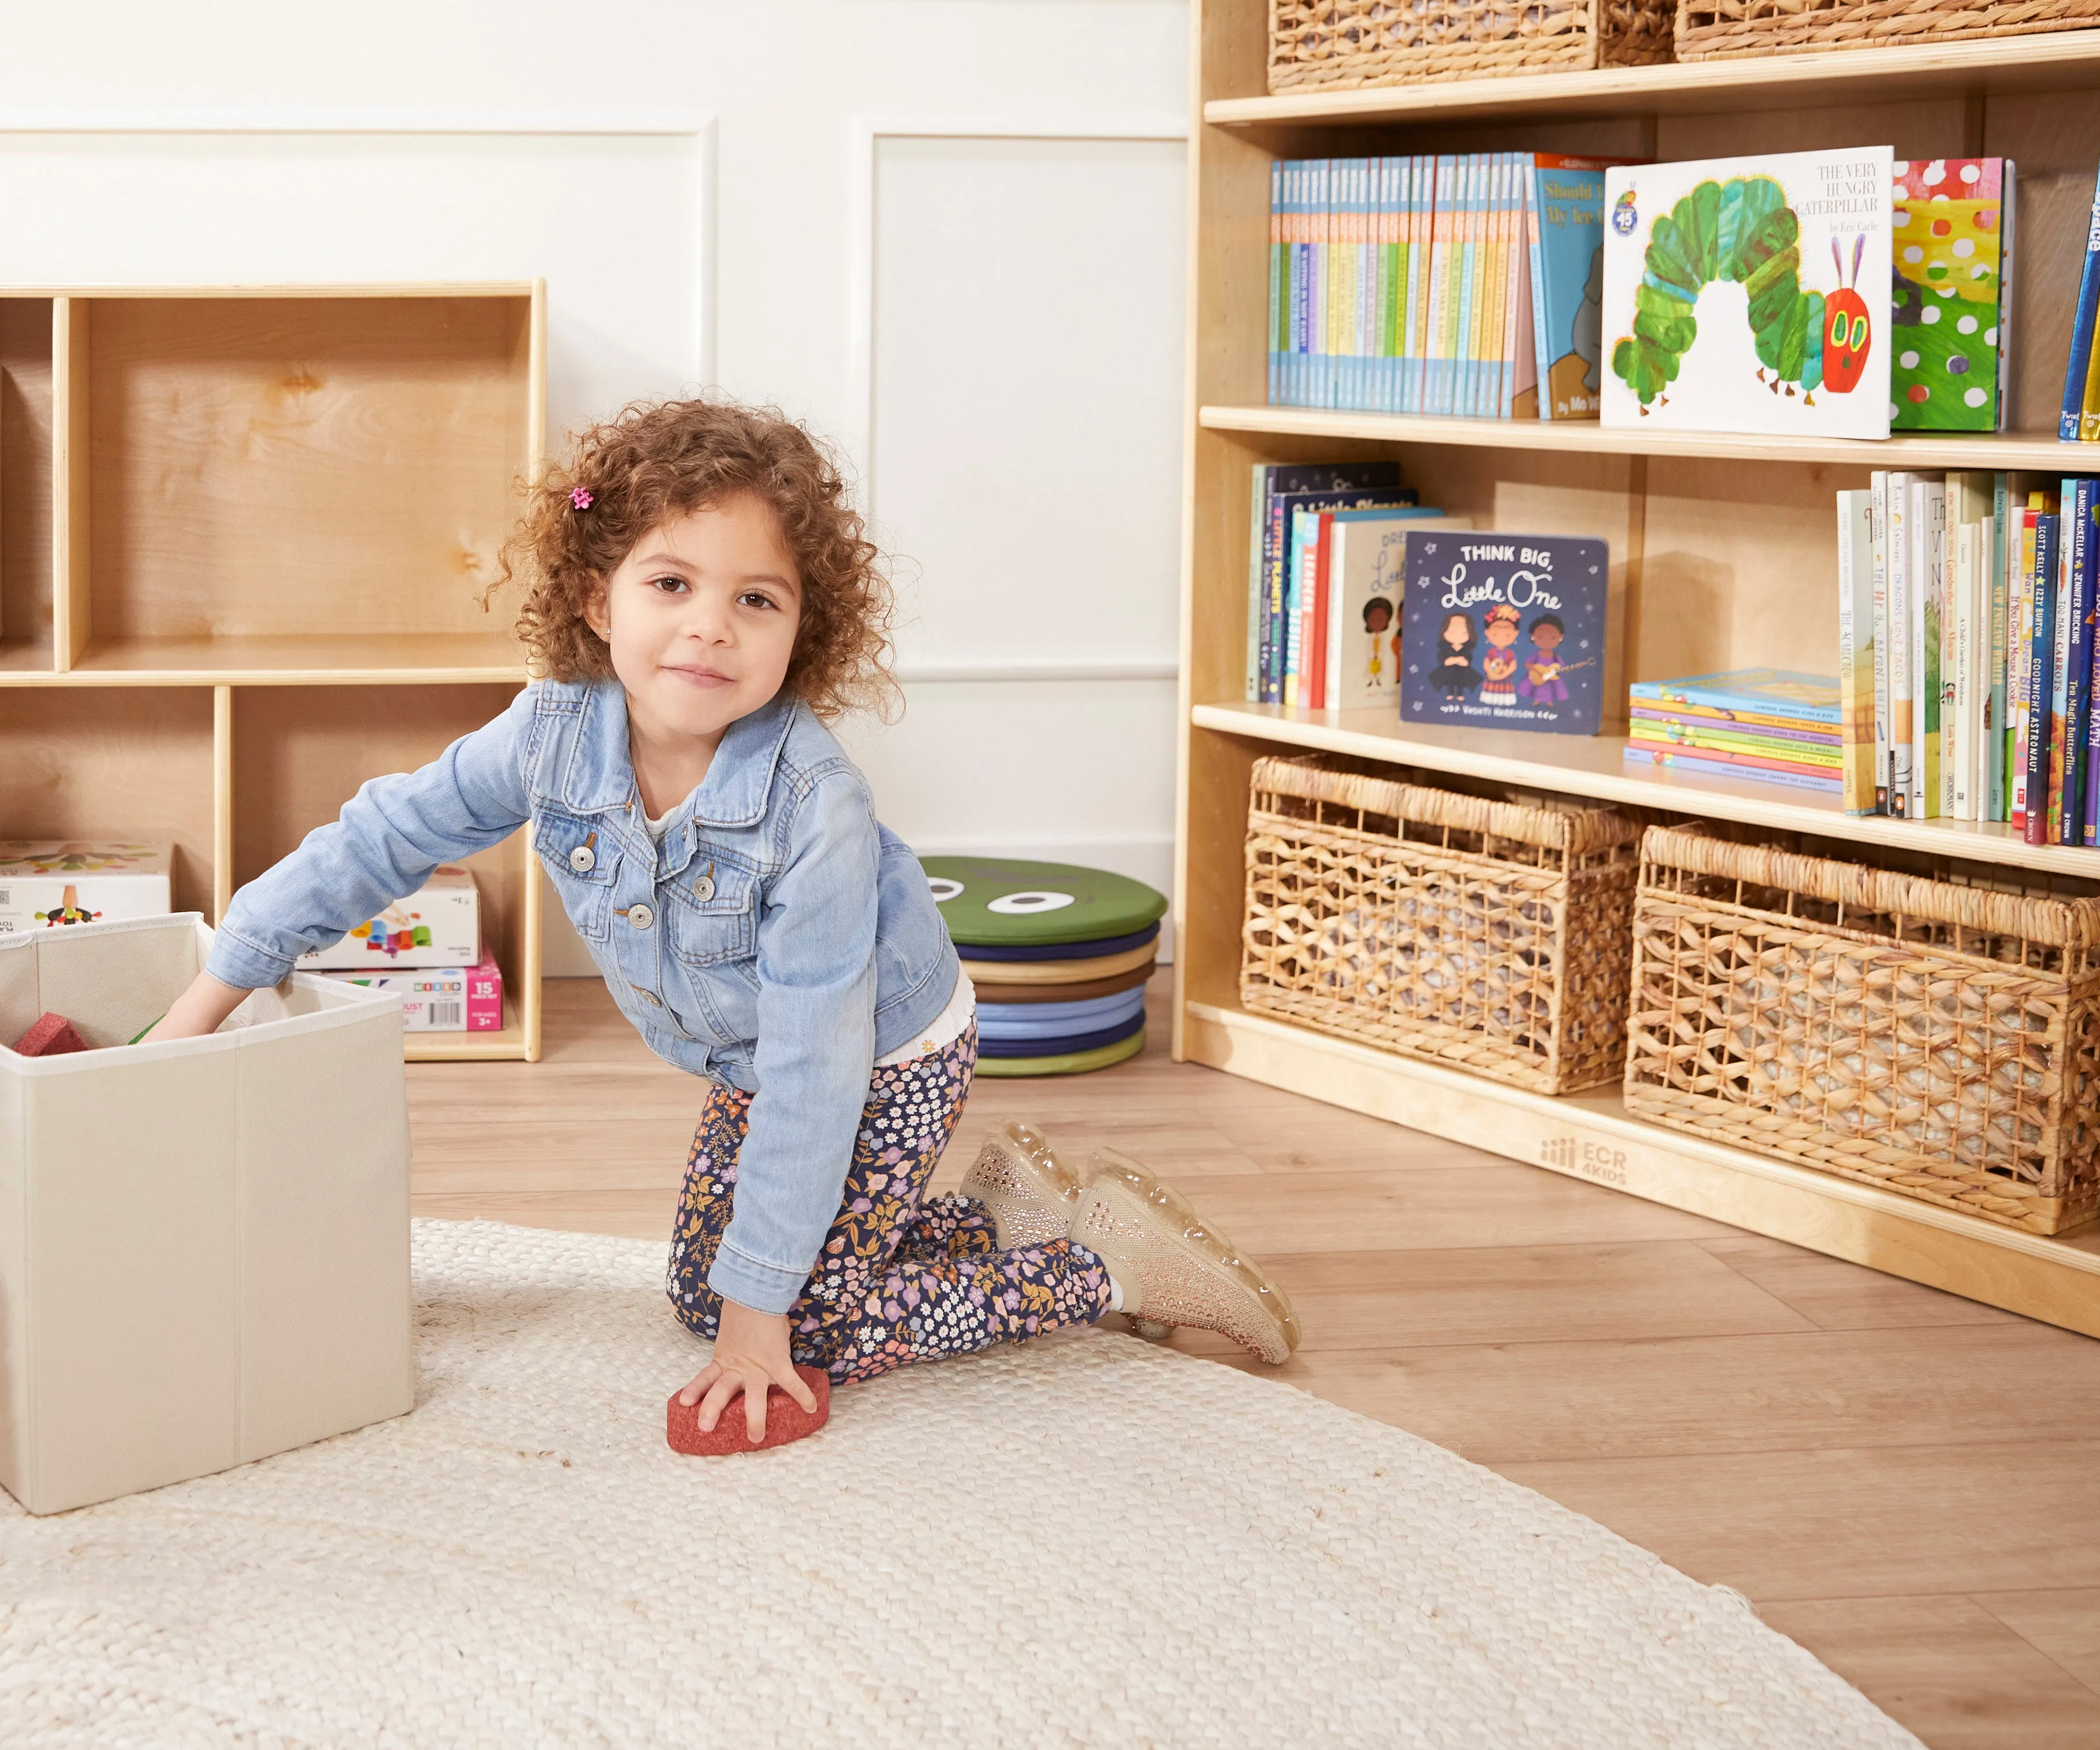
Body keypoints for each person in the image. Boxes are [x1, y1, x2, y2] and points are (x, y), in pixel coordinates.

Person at [152, 399, 1299, 1443]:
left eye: (754, 598)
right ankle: (989, 1216)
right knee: (706, 1294)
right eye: (671, 584)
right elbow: (380, 836)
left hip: (880, 1055)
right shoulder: (548, 733)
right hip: (753, 1058)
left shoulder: (818, 811)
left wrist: (766, 1328)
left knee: (802, 1330)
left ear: (802, 631)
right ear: (597, 599)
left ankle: (1098, 1265)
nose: (710, 626)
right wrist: (212, 995)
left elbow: (816, 1068)